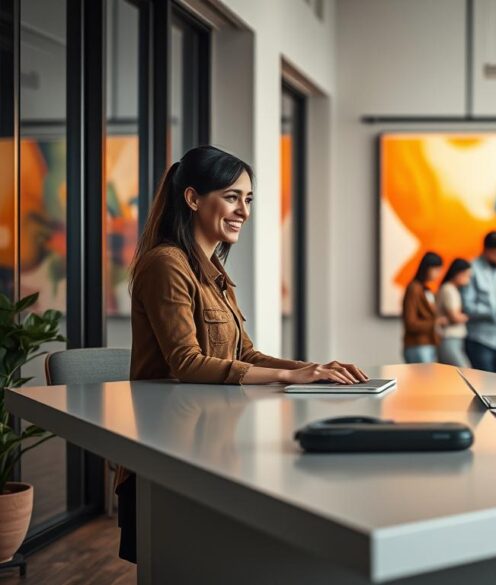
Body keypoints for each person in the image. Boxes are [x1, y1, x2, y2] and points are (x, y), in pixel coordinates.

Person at [125, 145, 367, 562]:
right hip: (169, 454)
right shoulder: (167, 264)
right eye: (233, 197)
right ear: (193, 198)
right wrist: (290, 378)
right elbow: (187, 363)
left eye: (248, 199)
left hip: (211, 444)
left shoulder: (214, 272)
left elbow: (247, 354)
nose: (244, 211)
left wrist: (312, 369)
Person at [463, 230, 496, 373]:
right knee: (484, 388)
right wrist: (495, 312)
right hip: (479, 340)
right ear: (486, 249)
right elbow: (467, 306)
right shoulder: (472, 269)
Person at [402, 252, 445, 363]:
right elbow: (410, 323)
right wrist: (435, 323)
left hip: (429, 343)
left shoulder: (426, 290)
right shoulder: (414, 288)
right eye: (436, 269)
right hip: (417, 345)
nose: (438, 274)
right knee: (424, 380)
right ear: (426, 268)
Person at [437, 258, 472, 367]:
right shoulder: (448, 289)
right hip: (449, 339)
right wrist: (466, 317)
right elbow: (454, 317)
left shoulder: (454, 289)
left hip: (455, 339)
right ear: (458, 273)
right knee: (465, 372)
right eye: (466, 275)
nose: (468, 279)